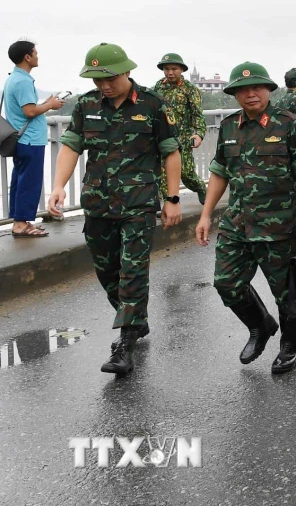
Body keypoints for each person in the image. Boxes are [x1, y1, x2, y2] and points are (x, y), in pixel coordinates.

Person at [48, 43, 182, 375]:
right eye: (97, 80)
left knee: (133, 271)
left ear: (126, 71)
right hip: (97, 203)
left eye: (108, 78)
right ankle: (136, 320)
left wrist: (173, 198)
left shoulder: (153, 105)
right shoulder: (87, 105)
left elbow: (170, 152)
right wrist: (58, 186)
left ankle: (124, 344)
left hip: (138, 205)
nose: (104, 86)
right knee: (107, 270)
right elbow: (71, 146)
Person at [196, 62, 296, 374]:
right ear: (235, 94)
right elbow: (219, 172)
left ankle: (289, 345)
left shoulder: (289, 123)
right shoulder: (228, 127)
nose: (251, 94)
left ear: (268, 90)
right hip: (238, 223)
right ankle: (260, 325)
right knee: (226, 283)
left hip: (280, 224)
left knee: (285, 292)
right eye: (243, 90)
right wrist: (206, 215)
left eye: (257, 88)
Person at [4, 40, 64, 238]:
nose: (37, 56)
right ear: (27, 57)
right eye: (35, 53)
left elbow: (28, 108)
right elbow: (29, 111)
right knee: (29, 182)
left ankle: (20, 221)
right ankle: (21, 224)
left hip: (22, 139)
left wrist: (46, 103)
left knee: (21, 182)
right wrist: (51, 106)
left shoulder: (15, 78)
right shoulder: (23, 81)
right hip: (30, 140)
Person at [153, 53, 208, 205]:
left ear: (181, 69)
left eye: (174, 69)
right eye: (166, 69)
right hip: (164, 138)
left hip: (183, 139)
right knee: (163, 173)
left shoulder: (190, 89)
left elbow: (198, 114)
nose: (170, 72)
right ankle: (167, 204)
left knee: (186, 173)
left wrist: (199, 134)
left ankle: (201, 188)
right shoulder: (159, 86)